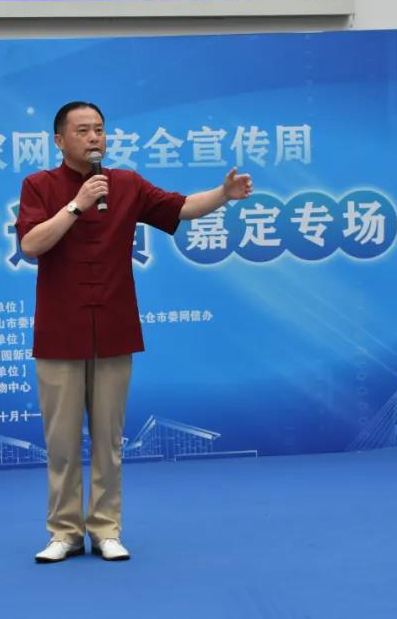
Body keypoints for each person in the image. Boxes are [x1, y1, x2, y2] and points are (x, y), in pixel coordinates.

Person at [16, 101, 253, 563]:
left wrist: (222, 194)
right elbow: (31, 244)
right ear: (59, 140)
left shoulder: (126, 184)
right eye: (83, 131)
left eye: (99, 130)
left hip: (114, 326)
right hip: (60, 331)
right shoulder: (39, 186)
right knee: (62, 443)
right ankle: (65, 533)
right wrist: (77, 205)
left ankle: (106, 529)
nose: (94, 138)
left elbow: (181, 207)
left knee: (109, 440)